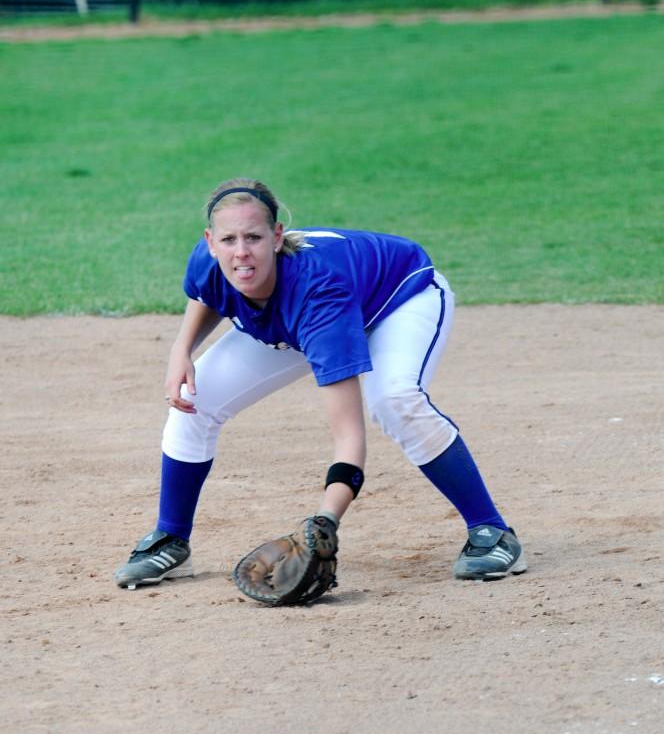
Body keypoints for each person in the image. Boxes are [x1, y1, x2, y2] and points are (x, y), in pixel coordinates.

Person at [115, 177, 527, 589]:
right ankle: (171, 538)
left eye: (254, 237)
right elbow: (206, 293)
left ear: (277, 237)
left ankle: (492, 532)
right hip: (306, 316)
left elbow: (349, 439)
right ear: (210, 241)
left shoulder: (319, 296)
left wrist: (326, 519)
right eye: (228, 240)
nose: (240, 251)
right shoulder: (215, 257)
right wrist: (180, 350)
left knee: (394, 400)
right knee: (193, 396)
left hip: (399, 298)